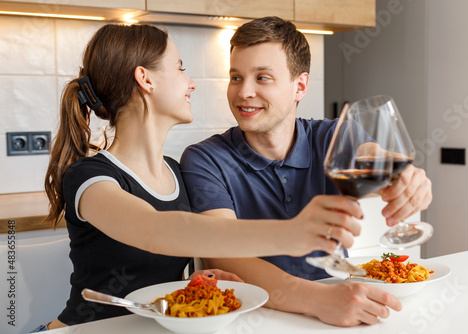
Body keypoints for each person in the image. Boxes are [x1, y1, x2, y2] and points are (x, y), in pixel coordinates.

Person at [39, 23, 358, 331]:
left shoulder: (175, 172)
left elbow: (160, 263)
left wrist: (191, 282)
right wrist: (291, 233)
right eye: (180, 68)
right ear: (145, 79)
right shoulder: (89, 178)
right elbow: (156, 230)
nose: (191, 82)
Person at [180, 16, 432, 326]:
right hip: (251, 316)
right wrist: (317, 300)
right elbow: (223, 252)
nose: (244, 91)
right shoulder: (205, 159)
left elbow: (376, 157)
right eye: (236, 77)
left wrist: (408, 178)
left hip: (339, 302)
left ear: (300, 86)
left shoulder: (333, 136)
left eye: (262, 78)